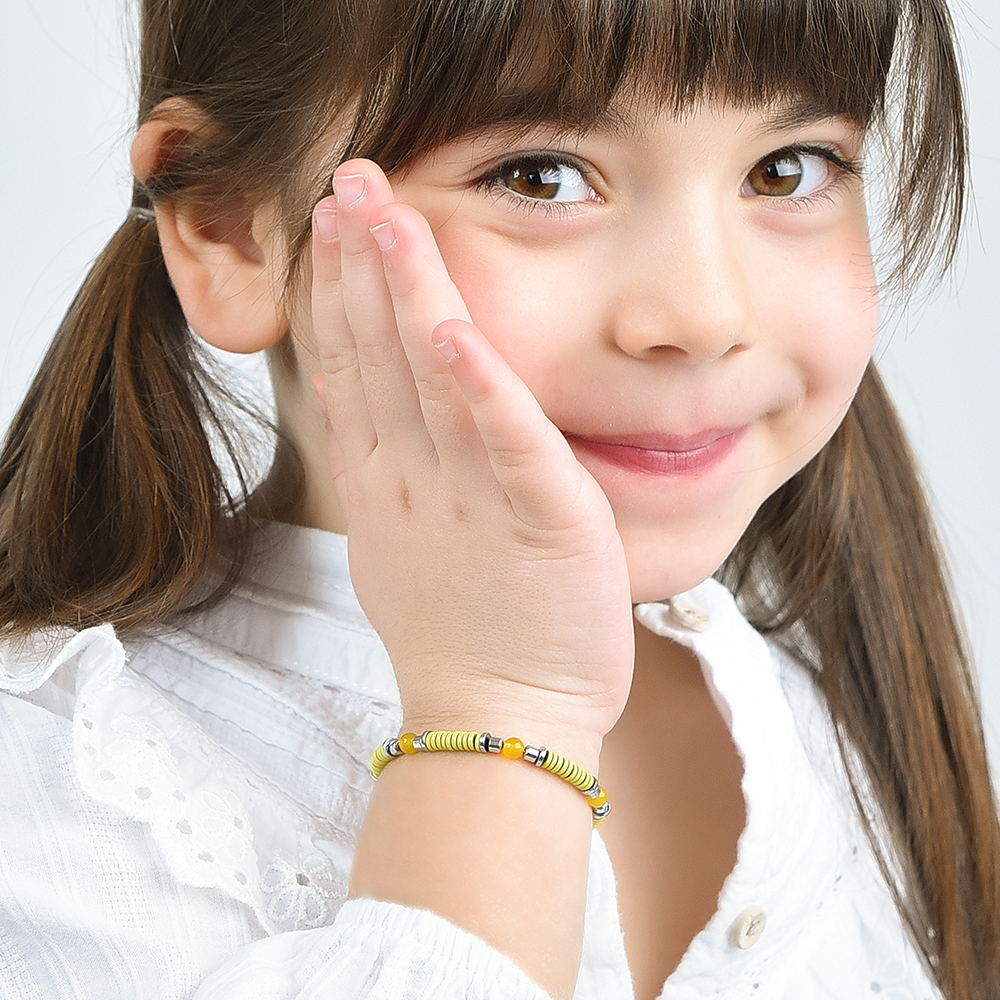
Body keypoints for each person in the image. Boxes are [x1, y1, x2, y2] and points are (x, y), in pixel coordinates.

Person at [0, 0, 998, 997]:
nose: (705, 312)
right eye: (541, 176)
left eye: (786, 168)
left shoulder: (824, 730)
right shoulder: (50, 793)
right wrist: (500, 719)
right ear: (230, 228)